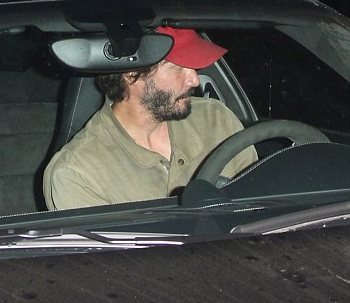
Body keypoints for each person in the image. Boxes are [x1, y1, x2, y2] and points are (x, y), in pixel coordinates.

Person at [44, 26, 258, 210]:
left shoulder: (216, 119)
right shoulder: (77, 172)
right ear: (130, 74)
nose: (194, 80)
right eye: (177, 68)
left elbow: (259, 204)